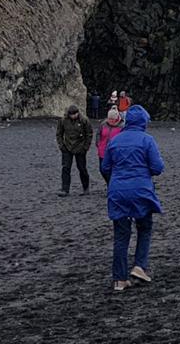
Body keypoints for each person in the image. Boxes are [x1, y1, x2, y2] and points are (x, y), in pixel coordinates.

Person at [100, 104, 164, 289]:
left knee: (121, 235)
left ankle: (119, 279)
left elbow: (105, 167)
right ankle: (139, 266)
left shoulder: (115, 141)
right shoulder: (147, 140)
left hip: (118, 191)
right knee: (144, 228)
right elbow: (157, 168)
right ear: (143, 122)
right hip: (140, 190)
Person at [56, 104, 92, 196]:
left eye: (75, 114)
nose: (73, 116)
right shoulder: (63, 120)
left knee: (82, 168)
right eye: (71, 114)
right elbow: (59, 133)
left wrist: (85, 147)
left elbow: (89, 134)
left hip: (80, 147)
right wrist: (61, 145)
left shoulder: (84, 120)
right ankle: (65, 189)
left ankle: (86, 188)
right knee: (66, 168)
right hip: (67, 147)